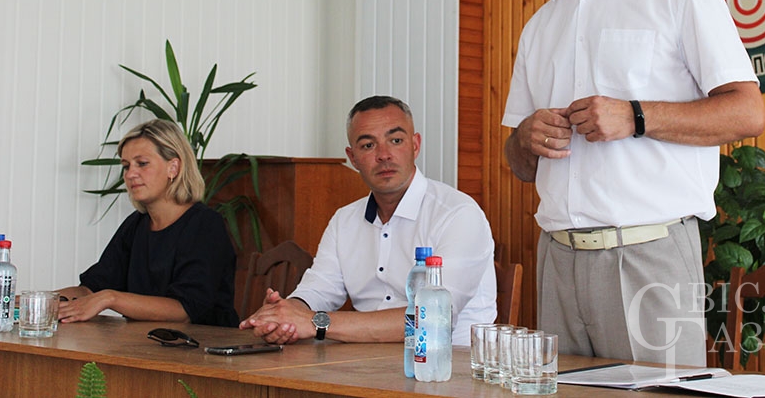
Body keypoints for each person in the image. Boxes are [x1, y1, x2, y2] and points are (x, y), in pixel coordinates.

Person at [502, 0, 765, 365]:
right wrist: (524, 138)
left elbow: (747, 112)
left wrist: (636, 116)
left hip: (649, 255)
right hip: (557, 259)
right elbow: (519, 164)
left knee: (659, 396)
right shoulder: (539, 27)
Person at [241, 95, 496, 344]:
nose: (384, 155)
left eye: (395, 140)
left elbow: (433, 319)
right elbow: (319, 288)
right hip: (365, 361)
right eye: (368, 145)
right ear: (352, 158)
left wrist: (315, 322)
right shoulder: (344, 220)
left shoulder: (458, 214)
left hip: (448, 363)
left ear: (415, 145)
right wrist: (284, 315)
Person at [57, 118, 238, 327]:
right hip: (144, 342)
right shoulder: (136, 225)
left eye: (142, 163)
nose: (130, 174)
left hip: (206, 344)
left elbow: (185, 310)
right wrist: (41, 301)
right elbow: (91, 288)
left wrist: (110, 298)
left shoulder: (205, 225)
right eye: (126, 166)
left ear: (173, 168)